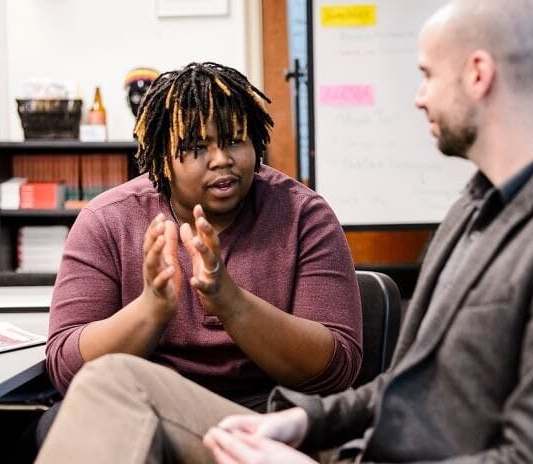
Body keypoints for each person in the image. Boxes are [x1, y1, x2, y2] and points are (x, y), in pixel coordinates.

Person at [197, 1, 533, 463]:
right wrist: (304, 422)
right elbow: (407, 383)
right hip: (366, 451)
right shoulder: (474, 205)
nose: (420, 97)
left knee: (130, 396)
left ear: (478, 74)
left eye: (428, 75)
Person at [35, 61, 363, 456]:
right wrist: (151, 310)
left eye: (235, 141)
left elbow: (336, 369)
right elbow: (68, 368)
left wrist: (229, 300)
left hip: (272, 421)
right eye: (196, 147)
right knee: (70, 415)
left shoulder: (303, 215)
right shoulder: (108, 220)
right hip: (149, 412)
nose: (221, 159)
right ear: (161, 158)